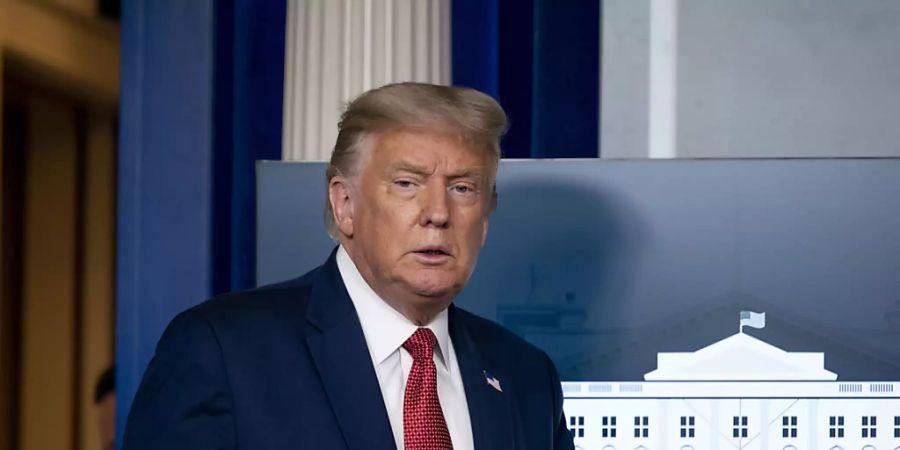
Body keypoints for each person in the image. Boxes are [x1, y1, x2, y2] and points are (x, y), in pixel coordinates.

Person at [122, 82, 575, 450]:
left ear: (486, 219)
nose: (437, 212)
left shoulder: (525, 376)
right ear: (345, 205)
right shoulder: (223, 351)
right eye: (406, 183)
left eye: (463, 188)